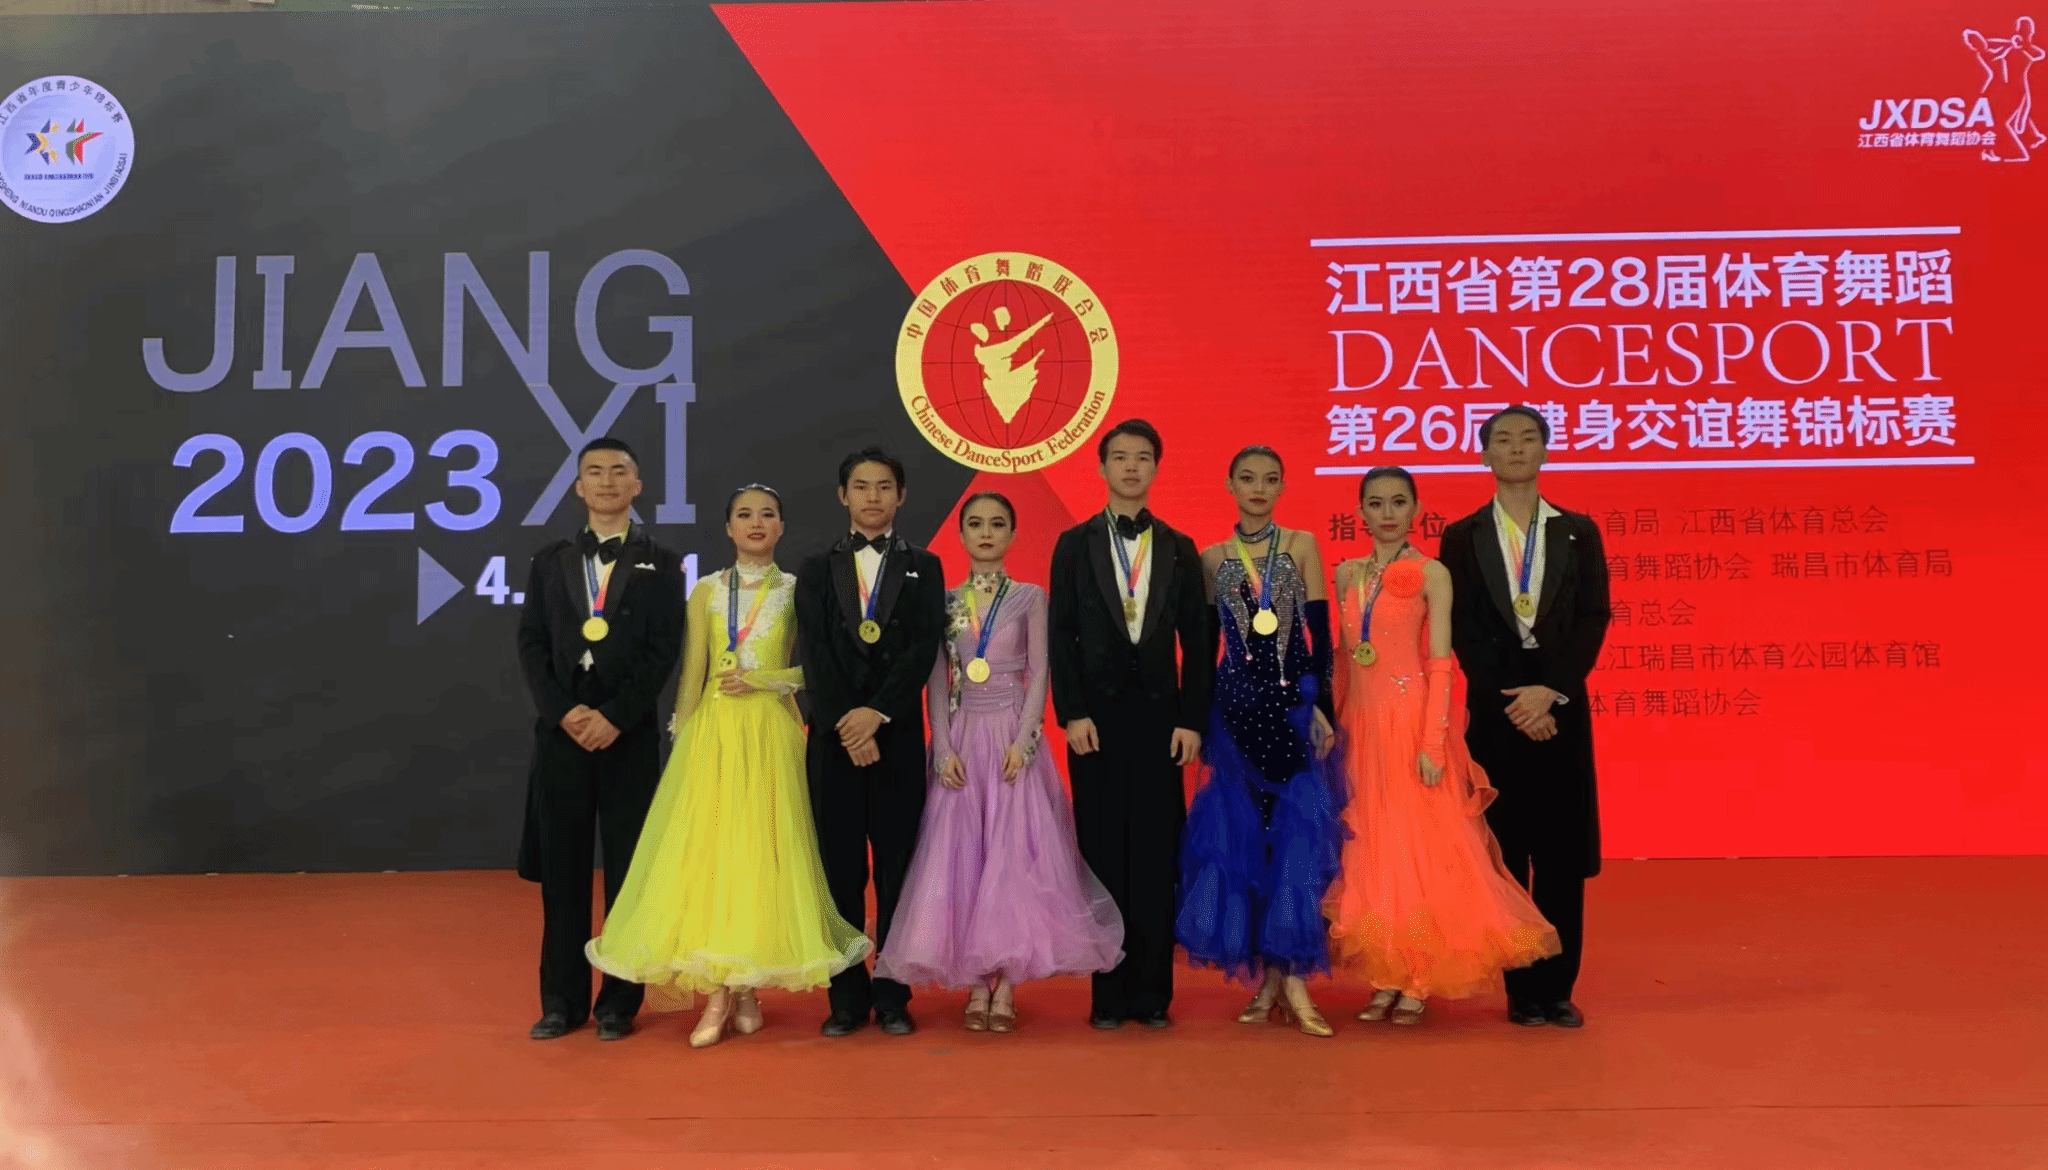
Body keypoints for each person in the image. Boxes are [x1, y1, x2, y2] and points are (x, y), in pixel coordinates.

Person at [585, 486, 870, 1047]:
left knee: (759, 859)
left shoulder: (798, 589)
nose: (756, 523)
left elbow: (817, 670)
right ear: (728, 528)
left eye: (767, 514)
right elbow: (692, 672)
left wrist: (767, 679)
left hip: (772, 735)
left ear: (782, 527)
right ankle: (719, 993)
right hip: (713, 739)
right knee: (713, 862)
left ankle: (745, 987)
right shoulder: (707, 590)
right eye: (744, 515)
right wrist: (684, 741)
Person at [876, 492, 1124, 1031]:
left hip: (1012, 738)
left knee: (1013, 860)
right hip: (963, 739)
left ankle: (1007, 981)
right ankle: (974, 982)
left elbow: (1040, 671)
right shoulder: (945, 601)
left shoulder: (1031, 597)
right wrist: (942, 748)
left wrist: (1026, 741)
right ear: (961, 534)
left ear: (1012, 534)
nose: (985, 533)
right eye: (975, 524)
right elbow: (937, 680)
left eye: (996, 524)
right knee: (963, 859)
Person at [1325, 466, 1560, 1027]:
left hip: (1411, 726)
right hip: (1362, 727)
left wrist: (1433, 742)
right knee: (1372, 852)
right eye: (1376, 503)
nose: (1387, 513)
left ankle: (1419, 977)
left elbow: (1439, 662)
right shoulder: (1346, 573)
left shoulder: (1432, 573)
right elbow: (1344, 656)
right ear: (1359, 512)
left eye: (1398, 502)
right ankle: (1385, 974)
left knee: (1421, 852)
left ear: (1416, 510)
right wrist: (1333, 726)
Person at [1438, 407, 1612, 1028]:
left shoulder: (1578, 531)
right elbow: (1461, 626)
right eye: (1503, 440)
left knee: (1561, 858)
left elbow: (1593, 617)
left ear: (1545, 450)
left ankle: (1558, 989)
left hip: (1561, 713)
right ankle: (1521, 991)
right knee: (1507, 854)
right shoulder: (1462, 536)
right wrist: (1515, 698)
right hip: (1498, 715)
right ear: (1485, 454)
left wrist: (1550, 691)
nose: (1516, 448)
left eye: (1528, 438)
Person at [515, 438, 685, 1041]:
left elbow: (665, 648)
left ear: (637, 485)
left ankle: (619, 1001)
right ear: (578, 487)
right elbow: (531, 643)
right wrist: (564, 712)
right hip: (562, 737)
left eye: (619, 472)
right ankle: (561, 1002)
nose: (607, 481)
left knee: (627, 874)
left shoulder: (663, 561)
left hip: (627, 736)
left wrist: (614, 715)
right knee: (562, 874)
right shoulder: (549, 560)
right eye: (595, 472)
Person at [1048, 419, 1213, 1030]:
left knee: (1156, 856)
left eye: (1143, 457)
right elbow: (1060, 633)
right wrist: (1072, 712)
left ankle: (1153, 995)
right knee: (1102, 853)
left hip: (1162, 726)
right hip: (1095, 723)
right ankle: (1109, 996)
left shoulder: (1179, 546)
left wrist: (1192, 719)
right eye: (1120, 457)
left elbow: (1199, 642)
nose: (1131, 467)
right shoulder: (1074, 543)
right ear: (1102, 467)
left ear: (1156, 468)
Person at [1175, 445, 1344, 1037]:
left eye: (1271, 479)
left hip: (1293, 712)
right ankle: (1269, 983)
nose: (1258, 488)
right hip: (1236, 714)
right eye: (1247, 478)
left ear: (1282, 487)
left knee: (1296, 845)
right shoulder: (1211, 557)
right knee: (1247, 849)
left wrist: (1322, 707)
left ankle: (1290, 980)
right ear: (1229, 484)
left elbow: (1319, 633)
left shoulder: (1301, 544)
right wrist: (1198, 717)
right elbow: (1202, 648)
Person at [795, 448, 948, 1037]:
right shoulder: (815, 567)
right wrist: (847, 722)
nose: (873, 497)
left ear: (901, 495)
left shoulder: (925, 566)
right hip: (834, 741)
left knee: (896, 869)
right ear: (843, 496)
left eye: (885, 486)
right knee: (840, 871)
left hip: (896, 737)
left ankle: (892, 994)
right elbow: (815, 651)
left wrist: (877, 713)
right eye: (861, 486)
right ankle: (845, 996)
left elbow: (923, 647)